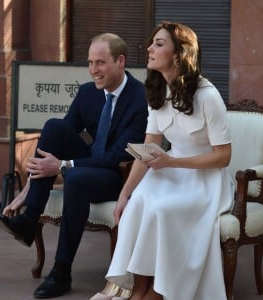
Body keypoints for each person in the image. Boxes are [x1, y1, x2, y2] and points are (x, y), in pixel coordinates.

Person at [0, 33, 148, 298]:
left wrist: (65, 166)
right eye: (90, 63)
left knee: (75, 178)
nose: (93, 70)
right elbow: (58, 140)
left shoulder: (139, 99)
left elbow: (117, 156)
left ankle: (61, 271)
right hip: (88, 163)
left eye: (100, 63)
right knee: (54, 127)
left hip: (118, 176)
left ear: (120, 61)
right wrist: (28, 188)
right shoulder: (89, 92)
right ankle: (30, 220)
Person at [90, 21, 234, 300]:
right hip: (170, 170)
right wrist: (124, 194)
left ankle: (160, 290)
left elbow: (223, 156)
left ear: (179, 53)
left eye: (159, 43)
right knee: (138, 205)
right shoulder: (158, 94)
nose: (149, 48)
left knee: (163, 210)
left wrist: (171, 163)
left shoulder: (207, 95)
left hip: (205, 181)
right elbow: (149, 148)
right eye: (152, 42)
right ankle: (139, 289)